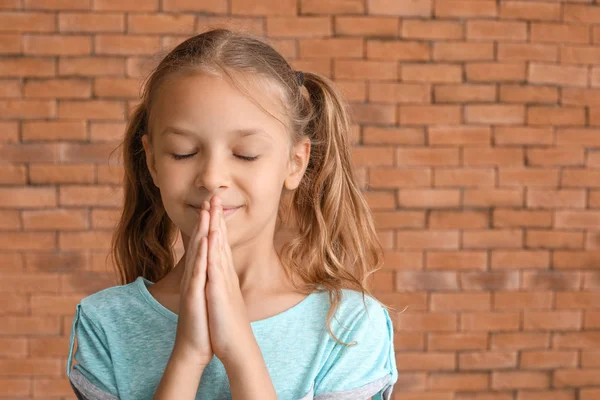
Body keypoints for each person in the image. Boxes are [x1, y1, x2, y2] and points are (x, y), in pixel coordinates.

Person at [66, 28, 399, 400]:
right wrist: (188, 357)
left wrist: (241, 354)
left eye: (246, 154)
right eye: (182, 152)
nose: (212, 178)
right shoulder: (106, 323)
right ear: (152, 161)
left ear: (295, 162)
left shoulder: (348, 327)